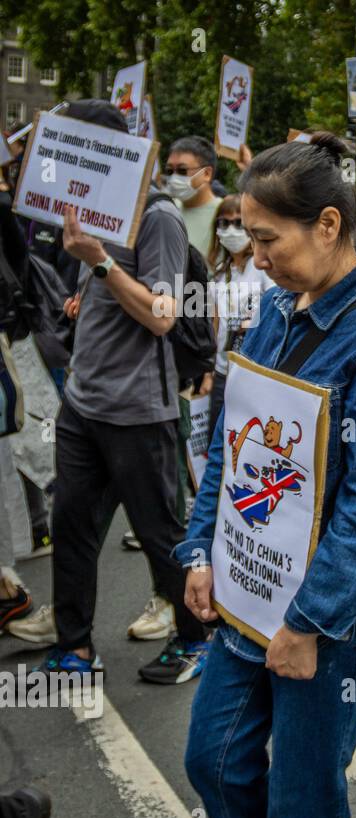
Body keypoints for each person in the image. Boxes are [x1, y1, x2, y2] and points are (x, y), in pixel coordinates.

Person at [180, 132, 356, 818]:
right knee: (215, 762)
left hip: (329, 621)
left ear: (329, 225)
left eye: (269, 238)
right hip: (247, 592)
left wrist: (308, 622)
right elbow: (231, 452)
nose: (255, 256)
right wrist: (202, 548)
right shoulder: (273, 310)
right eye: (250, 237)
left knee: (303, 811)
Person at [20, 100, 208, 682]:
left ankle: (195, 638)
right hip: (84, 403)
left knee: (161, 536)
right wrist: (88, 294)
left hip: (139, 411)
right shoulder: (92, 208)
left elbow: (162, 316)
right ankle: (75, 650)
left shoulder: (157, 216)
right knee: (72, 526)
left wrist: (100, 264)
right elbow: (110, 297)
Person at [206, 191, 274, 445]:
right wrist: (208, 372)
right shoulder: (218, 274)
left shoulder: (265, 270)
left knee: (249, 444)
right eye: (224, 223)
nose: (231, 230)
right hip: (223, 371)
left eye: (238, 223)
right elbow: (215, 324)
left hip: (257, 371)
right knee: (218, 442)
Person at [163, 136, 223, 259]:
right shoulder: (166, 210)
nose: (174, 178)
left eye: (182, 170)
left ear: (206, 174)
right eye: (169, 171)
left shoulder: (226, 214)